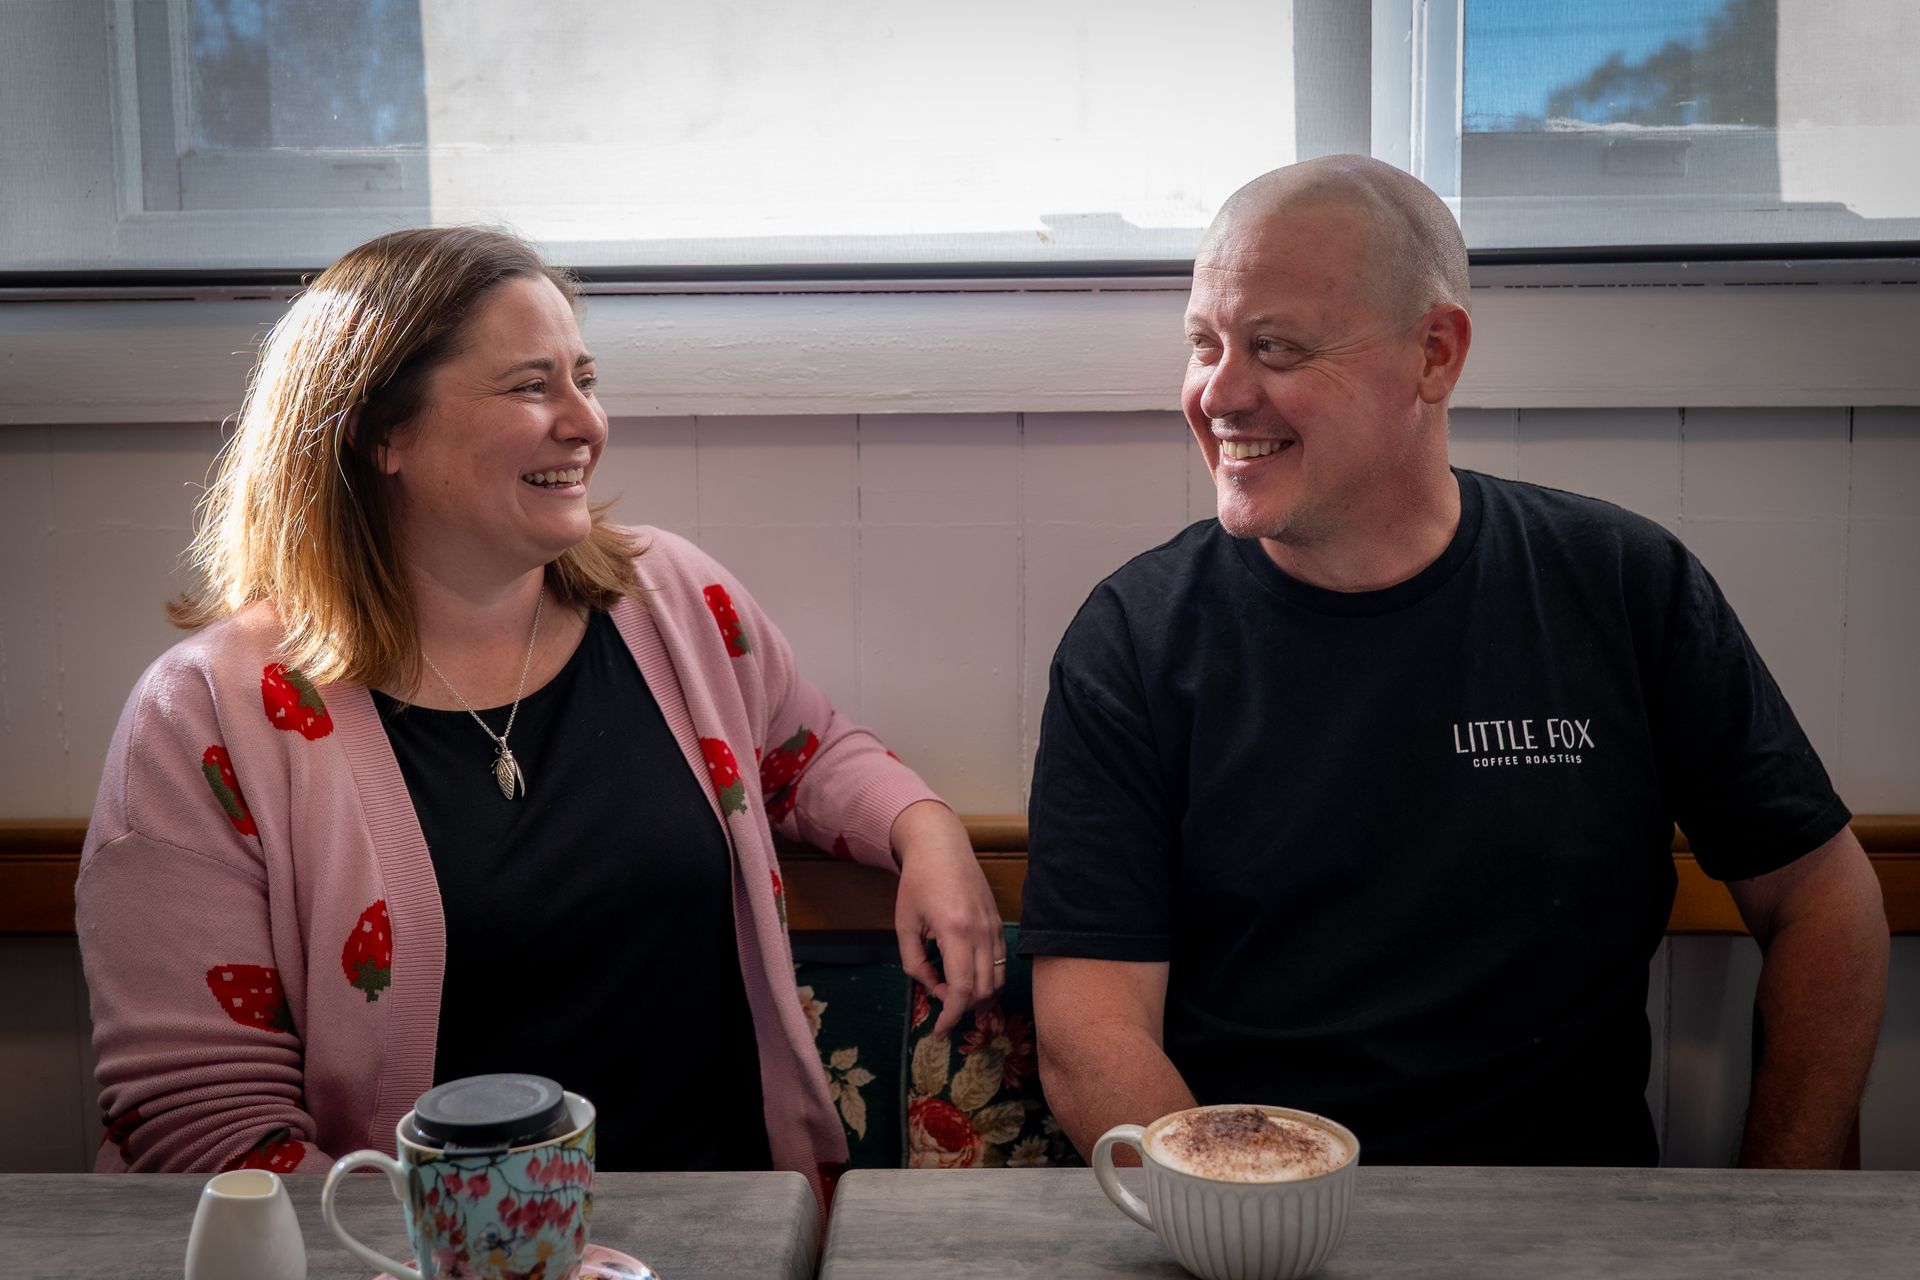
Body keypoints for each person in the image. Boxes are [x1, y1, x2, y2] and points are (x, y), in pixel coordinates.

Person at [76, 227, 1004, 1202]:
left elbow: (806, 755)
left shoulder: (671, 599)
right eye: (531, 386)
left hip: (731, 1226)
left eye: (585, 378)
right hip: (425, 1266)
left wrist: (923, 826)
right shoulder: (205, 715)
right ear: (377, 430)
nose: (586, 424)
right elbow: (203, 1126)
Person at [1021, 155, 1888, 1168]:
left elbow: (1825, 899)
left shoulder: (1620, 584)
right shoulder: (1134, 636)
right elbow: (1092, 1033)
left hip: (1577, 1230)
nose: (1219, 392)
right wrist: (1247, 1226)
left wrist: (1782, 1213)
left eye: (1277, 347)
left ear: (1435, 353)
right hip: (1256, 1229)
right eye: (1203, 344)